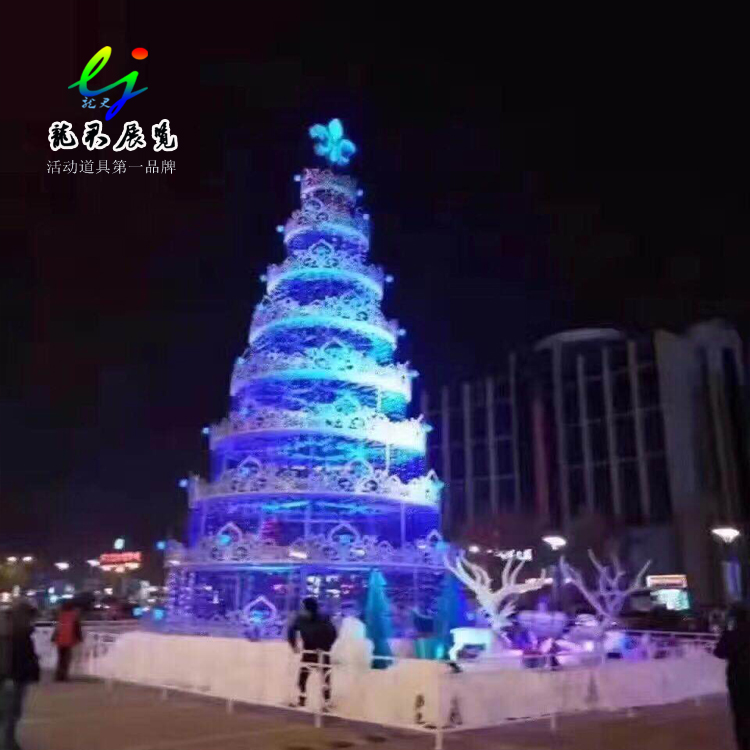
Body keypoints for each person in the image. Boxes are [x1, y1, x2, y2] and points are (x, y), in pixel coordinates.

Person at [0, 601, 40, 750]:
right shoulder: (16, 633)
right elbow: (11, 657)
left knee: (8, 712)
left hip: (11, 676)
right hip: (13, 677)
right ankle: (7, 743)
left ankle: (8, 742)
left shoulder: (11, 629)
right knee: (10, 713)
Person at [287, 597, 337, 707]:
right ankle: (302, 699)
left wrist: (323, 647)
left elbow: (333, 634)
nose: (301, 610)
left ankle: (327, 702)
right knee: (302, 678)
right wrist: (294, 645)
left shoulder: (323, 619)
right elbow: (291, 631)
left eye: (303, 608)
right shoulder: (300, 619)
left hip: (322, 652)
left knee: (325, 678)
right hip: (308, 651)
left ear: (310, 609)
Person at [715, 603, 750, 750]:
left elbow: (719, 652)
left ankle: (744, 744)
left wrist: (725, 631)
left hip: (737, 680)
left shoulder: (731, 634)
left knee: (740, 714)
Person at [52, 601, 83, 682]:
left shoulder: (61, 616)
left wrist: (53, 638)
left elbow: (57, 628)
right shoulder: (74, 616)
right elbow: (77, 628)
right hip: (69, 640)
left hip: (60, 640)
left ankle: (58, 676)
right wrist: (80, 638)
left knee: (60, 658)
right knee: (67, 658)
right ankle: (64, 676)